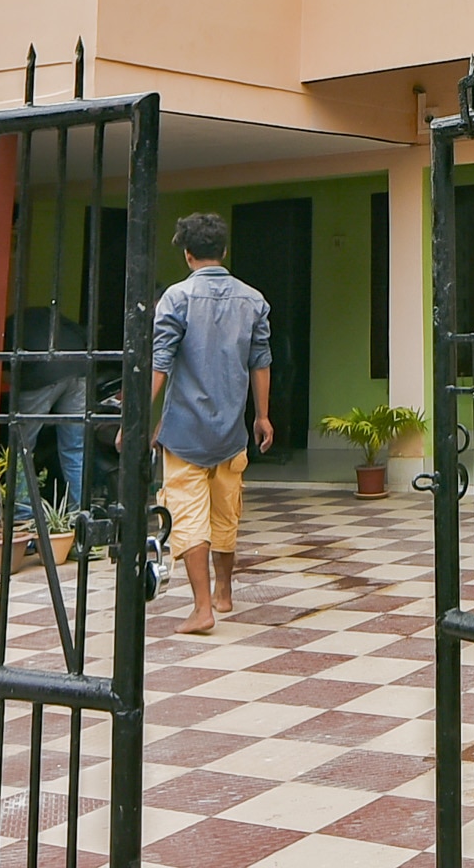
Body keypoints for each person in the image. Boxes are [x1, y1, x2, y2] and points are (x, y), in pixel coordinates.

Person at [150, 213, 271, 635]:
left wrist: (139, 420)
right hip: (231, 431)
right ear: (224, 250)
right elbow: (261, 361)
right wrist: (262, 415)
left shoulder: (176, 298)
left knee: (188, 515)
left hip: (184, 431)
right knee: (226, 511)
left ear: (187, 254)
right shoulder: (253, 300)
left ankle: (202, 608)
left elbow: (160, 363)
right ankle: (224, 591)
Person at [7, 302, 94, 526]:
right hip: (78, 369)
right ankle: (81, 515)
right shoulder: (49, 313)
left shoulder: (9, 326)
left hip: (42, 375)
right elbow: (83, 334)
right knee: (75, 448)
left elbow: (6, 366)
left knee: (22, 446)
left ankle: (23, 514)